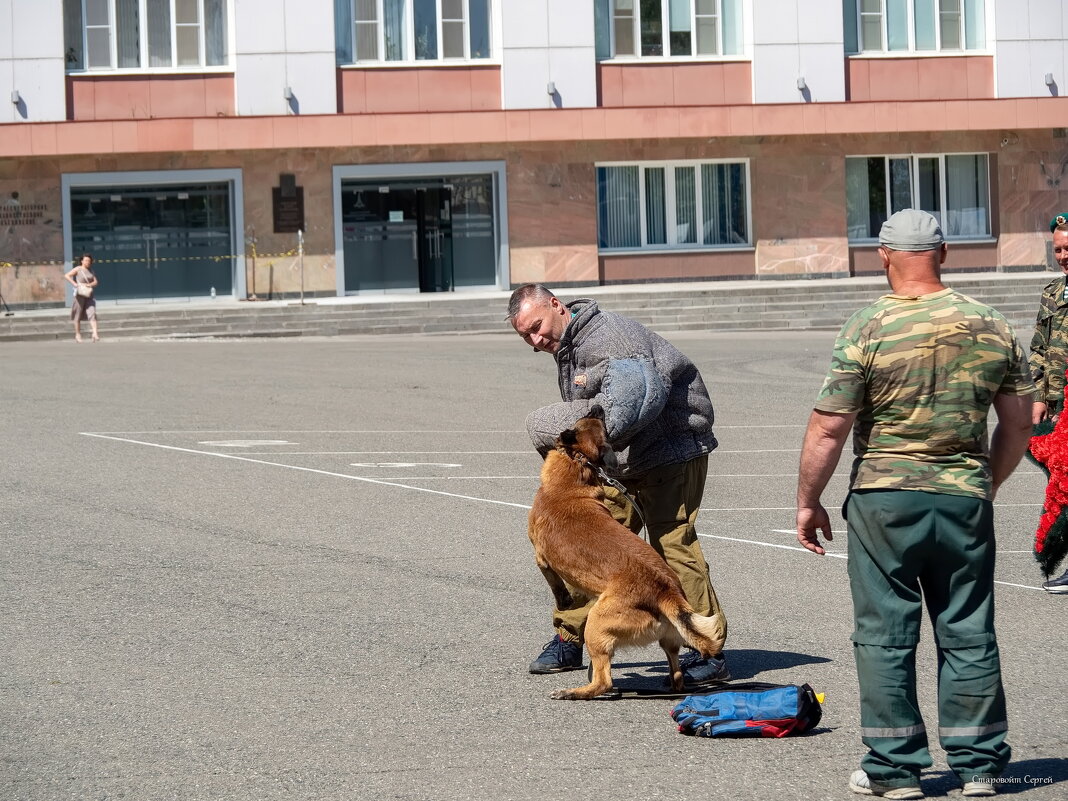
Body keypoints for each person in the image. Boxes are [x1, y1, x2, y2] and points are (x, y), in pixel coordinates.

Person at [795, 209, 1034, 799]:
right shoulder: (990, 324)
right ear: (944, 252)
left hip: (885, 498)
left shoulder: (868, 325)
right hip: (962, 499)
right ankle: (978, 765)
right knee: (968, 628)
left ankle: (895, 768)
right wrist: (987, 482)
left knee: (884, 633)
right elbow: (1019, 422)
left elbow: (829, 427)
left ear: (884, 254)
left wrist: (808, 500)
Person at [507, 283, 729, 685]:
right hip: (622, 459)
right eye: (526, 336)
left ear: (556, 305)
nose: (536, 340)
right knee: (583, 539)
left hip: (672, 447)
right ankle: (573, 636)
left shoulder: (610, 339)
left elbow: (637, 399)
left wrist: (560, 435)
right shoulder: (571, 347)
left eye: (537, 327)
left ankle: (705, 651)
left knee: (672, 542)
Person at [1028, 213, 1068, 593]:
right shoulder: (1053, 294)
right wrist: (1039, 397)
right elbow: (1039, 349)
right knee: (1061, 485)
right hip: (1058, 410)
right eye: (1057, 248)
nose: (1062, 255)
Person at [64, 253, 100, 343]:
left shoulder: (91, 270)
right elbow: (67, 275)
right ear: (82, 261)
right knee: (78, 315)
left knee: (92, 313)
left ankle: (95, 333)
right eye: (86, 260)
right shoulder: (78, 269)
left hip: (89, 295)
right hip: (79, 295)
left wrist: (89, 284)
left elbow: (96, 282)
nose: (88, 262)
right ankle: (78, 334)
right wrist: (75, 284)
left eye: (89, 260)